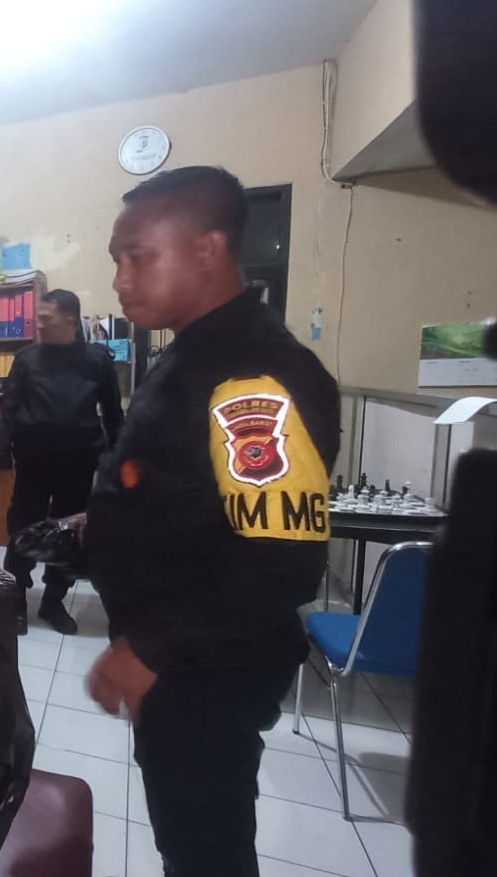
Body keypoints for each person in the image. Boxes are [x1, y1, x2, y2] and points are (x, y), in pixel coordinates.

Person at [81, 167, 339, 876]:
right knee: (186, 836)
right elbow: (179, 485)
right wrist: (93, 524)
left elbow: (279, 561)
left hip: (205, 664)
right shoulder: (191, 354)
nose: (120, 280)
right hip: (181, 652)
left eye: (137, 257)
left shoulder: (253, 376)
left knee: (205, 850)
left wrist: (148, 648)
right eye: (116, 259)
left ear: (207, 249)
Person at [0, 289, 123, 635]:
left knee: (68, 535)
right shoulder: (27, 359)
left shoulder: (97, 360)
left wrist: (117, 464)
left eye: (45, 318)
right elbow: (9, 408)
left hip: (78, 462)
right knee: (23, 529)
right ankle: (17, 600)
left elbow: (113, 415)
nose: (38, 324)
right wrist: (2, 456)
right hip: (33, 461)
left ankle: (53, 601)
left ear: (70, 319)